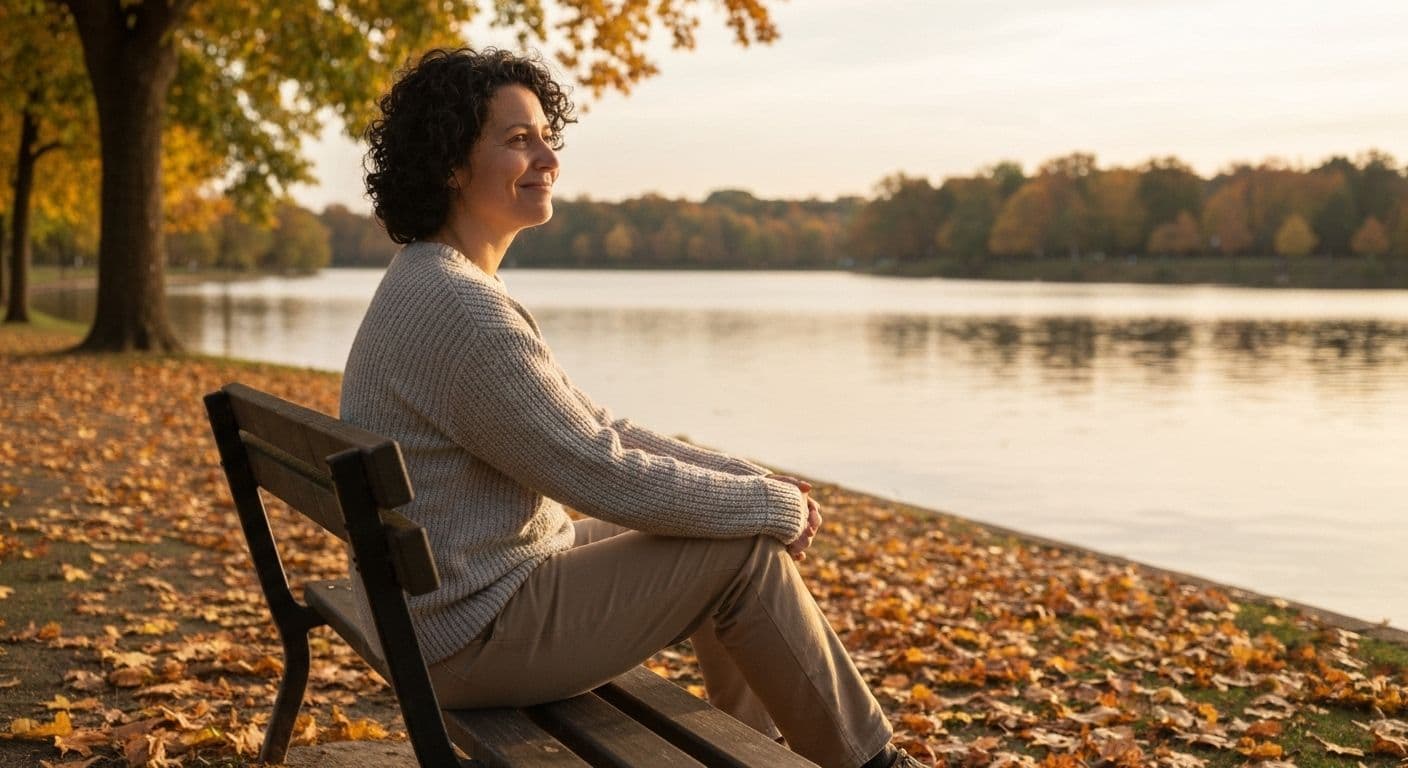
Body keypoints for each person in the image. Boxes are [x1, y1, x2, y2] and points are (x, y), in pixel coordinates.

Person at [342, 47, 922, 768]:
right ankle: (873, 764)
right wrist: (766, 508)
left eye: (546, 137)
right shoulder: (462, 311)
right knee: (741, 548)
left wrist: (751, 480)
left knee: (729, 522)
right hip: (465, 635)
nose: (548, 158)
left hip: (444, 601)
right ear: (450, 165)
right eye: (518, 140)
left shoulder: (434, 282)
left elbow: (599, 427)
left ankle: (750, 752)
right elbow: (598, 470)